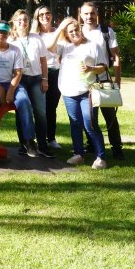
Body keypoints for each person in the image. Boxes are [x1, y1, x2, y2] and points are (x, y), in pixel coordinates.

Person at [43, 17, 110, 169]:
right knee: (75, 123)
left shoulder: (93, 45)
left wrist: (91, 69)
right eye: (70, 31)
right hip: (68, 91)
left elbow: (104, 66)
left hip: (87, 91)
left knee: (90, 123)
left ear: (81, 30)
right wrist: (61, 27)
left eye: (76, 30)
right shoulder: (64, 46)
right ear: (66, 34)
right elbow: (49, 46)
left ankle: (101, 157)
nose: (74, 33)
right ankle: (78, 154)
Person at [0, 22, 36, 155]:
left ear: (9, 34)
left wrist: (10, 91)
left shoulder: (15, 50)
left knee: (24, 101)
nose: (2, 34)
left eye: (5, 32)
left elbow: (18, 73)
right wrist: (0, 90)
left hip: (12, 83)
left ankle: (29, 140)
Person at [80, 2, 125, 160]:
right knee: (89, 117)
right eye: (86, 13)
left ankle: (117, 148)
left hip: (104, 80)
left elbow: (116, 56)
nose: (89, 16)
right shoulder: (77, 32)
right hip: (84, 82)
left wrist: (117, 79)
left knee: (110, 117)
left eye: (92, 13)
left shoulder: (106, 32)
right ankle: (91, 146)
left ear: (97, 13)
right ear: (81, 15)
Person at [9, 9, 52, 158]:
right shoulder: (10, 40)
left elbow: (43, 60)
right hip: (19, 79)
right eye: (19, 20)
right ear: (14, 22)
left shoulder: (36, 38)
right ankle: (25, 144)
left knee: (40, 112)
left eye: (25, 20)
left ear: (29, 22)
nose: (23, 22)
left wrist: (45, 79)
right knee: (22, 107)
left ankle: (43, 145)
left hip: (36, 78)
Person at [32, 5, 62, 150]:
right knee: (39, 109)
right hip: (39, 74)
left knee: (51, 107)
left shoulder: (59, 32)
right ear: (37, 18)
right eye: (41, 14)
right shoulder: (34, 35)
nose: (45, 16)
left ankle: (51, 138)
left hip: (56, 73)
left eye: (48, 13)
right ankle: (38, 138)